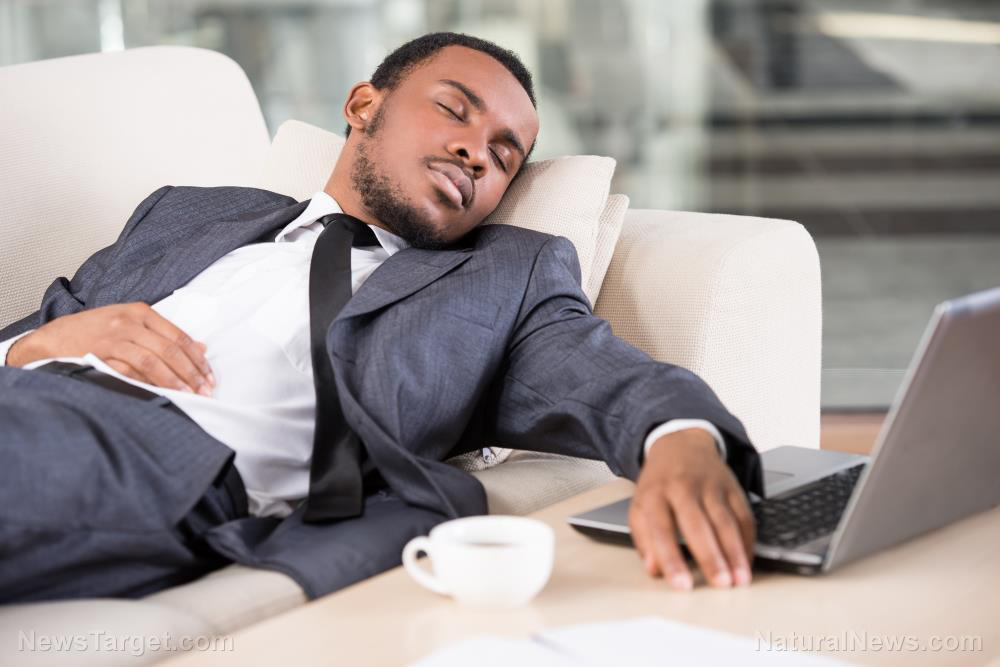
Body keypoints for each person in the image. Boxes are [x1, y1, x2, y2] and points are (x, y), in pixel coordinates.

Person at [0, 32, 762, 603]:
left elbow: (603, 375)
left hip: (158, 452)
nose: (475, 152)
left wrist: (682, 440)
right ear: (364, 105)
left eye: (503, 156)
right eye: (454, 110)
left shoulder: (500, 279)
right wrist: (34, 343)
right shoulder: (187, 212)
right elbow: (41, 325)